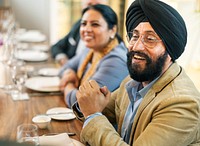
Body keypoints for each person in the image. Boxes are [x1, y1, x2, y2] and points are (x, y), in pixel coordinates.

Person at [75, 0, 200, 145]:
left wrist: (92, 114)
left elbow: (94, 114)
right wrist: (87, 103)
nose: (137, 46)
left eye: (150, 39)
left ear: (170, 49)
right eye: (134, 36)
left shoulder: (181, 103)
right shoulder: (132, 81)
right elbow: (99, 108)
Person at [59, 4, 129, 108]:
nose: (87, 29)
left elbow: (81, 102)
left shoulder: (116, 61)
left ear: (112, 30)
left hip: (101, 122)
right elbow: (64, 68)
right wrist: (69, 73)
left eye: (95, 24)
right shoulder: (92, 48)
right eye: (83, 24)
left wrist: (68, 84)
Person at [51, 0, 108, 66]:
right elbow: (57, 46)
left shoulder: (106, 38)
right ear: (82, 6)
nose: (93, 9)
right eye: (89, 4)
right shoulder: (79, 25)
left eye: (98, 5)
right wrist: (62, 58)